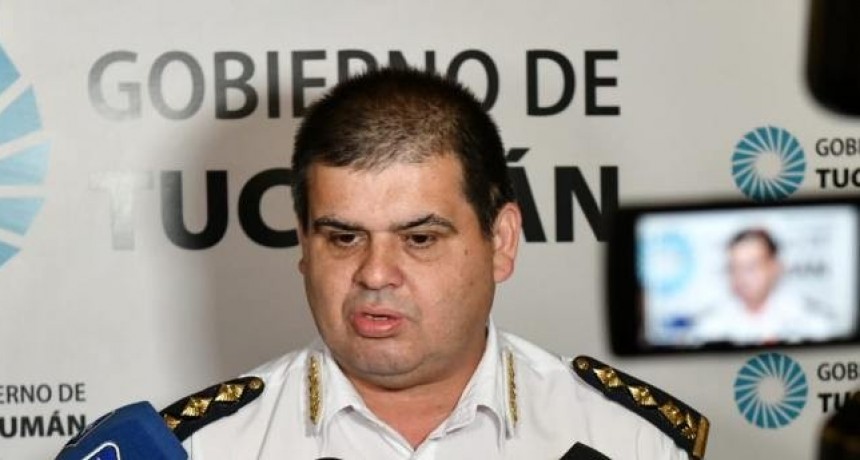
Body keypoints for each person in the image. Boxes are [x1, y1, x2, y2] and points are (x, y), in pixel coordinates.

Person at [162, 68, 708, 459]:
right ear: (305, 246)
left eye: (419, 238)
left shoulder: (630, 442)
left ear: (501, 241)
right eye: (344, 238)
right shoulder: (199, 449)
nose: (376, 274)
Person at [690, 228, 830, 344]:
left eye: (750, 267)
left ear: (775, 267)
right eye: (734, 268)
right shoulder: (710, 325)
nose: (741, 277)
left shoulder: (809, 320)